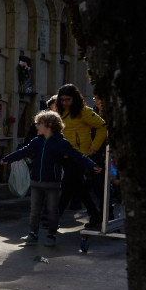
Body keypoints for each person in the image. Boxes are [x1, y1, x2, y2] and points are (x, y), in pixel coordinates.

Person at [0, 111, 101, 247]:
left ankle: (51, 234)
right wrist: (7, 159)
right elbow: (23, 151)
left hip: (52, 182)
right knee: (34, 210)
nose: (36, 126)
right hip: (36, 181)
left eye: (38, 123)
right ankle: (33, 234)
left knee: (53, 211)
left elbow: (77, 155)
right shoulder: (37, 141)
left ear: (49, 125)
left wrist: (92, 165)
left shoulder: (61, 143)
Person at [55, 84, 107, 228]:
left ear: (75, 99)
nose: (65, 102)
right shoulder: (61, 112)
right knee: (77, 187)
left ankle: (54, 216)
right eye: (62, 99)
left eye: (68, 99)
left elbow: (102, 126)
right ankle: (95, 215)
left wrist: (94, 148)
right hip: (67, 155)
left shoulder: (83, 112)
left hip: (80, 155)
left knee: (68, 186)